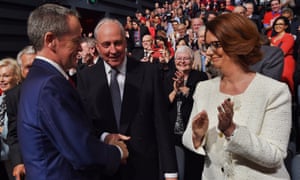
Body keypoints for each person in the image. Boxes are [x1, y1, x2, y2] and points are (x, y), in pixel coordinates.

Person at [17, 4, 128, 180]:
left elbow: (68, 130)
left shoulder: (39, 78)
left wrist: (103, 137)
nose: (81, 48)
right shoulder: (49, 86)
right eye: (76, 41)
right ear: (51, 40)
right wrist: (117, 152)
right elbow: (81, 152)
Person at [182, 13, 291, 179]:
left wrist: (232, 131)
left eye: (216, 45)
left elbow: (275, 155)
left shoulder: (274, 91)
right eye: (207, 45)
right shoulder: (204, 89)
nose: (209, 52)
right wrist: (197, 135)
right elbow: (189, 138)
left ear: (237, 44)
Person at [77, 17, 178, 180]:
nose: (113, 50)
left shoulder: (149, 73)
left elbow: (161, 124)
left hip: (144, 168)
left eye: (118, 43)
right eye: (106, 44)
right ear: (96, 46)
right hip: (105, 169)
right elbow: (85, 123)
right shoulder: (86, 77)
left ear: (125, 41)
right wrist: (105, 137)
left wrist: (170, 171)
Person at [164, 45, 208, 180]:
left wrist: (187, 91)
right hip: (172, 132)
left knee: (193, 169)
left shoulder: (201, 77)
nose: (182, 61)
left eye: (185, 58)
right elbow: (161, 105)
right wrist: (174, 91)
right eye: (179, 58)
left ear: (192, 60)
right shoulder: (166, 76)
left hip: (192, 131)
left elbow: (203, 102)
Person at [6, 45, 36, 180]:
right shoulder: (13, 96)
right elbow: (13, 133)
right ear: (21, 70)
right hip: (30, 165)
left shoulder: (57, 89)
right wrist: (18, 162)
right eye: (28, 67)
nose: (34, 70)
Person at [0, 58, 22, 180]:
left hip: (15, 159)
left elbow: (13, 131)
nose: (1, 80)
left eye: (6, 76)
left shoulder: (20, 99)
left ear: (17, 77)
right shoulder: (0, 100)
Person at [271, 16, 296, 94]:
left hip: (285, 61)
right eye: (276, 24)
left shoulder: (288, 37)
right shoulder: (272, 38)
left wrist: (271, 47)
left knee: (284, 79)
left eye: (281, 24)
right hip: (273, 62)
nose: (278, 26)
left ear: (286, 26)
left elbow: (282, 52)